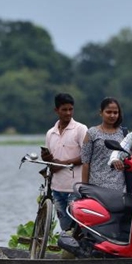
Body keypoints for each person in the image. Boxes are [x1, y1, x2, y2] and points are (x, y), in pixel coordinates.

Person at [42, 93, 88, 232]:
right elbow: (50, 159)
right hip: (57, 188)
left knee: (76, 224)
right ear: (56, 110)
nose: (68, 113)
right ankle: (68, 251)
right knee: (65, 226)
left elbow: (86, 155)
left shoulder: (80, 129)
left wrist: (63, 163)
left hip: (75, 187)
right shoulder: (51, 133)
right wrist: (46, 158)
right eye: (64, 110)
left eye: (70, 109)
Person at [80, 97, 127, 192]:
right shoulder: (92, 133)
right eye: (108, 112)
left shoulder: (124, 133)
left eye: (115, 113)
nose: (112, 115)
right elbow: (85, 163)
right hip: (96, 187)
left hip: (118, 188)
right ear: (101, 112)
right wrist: (84, 188)